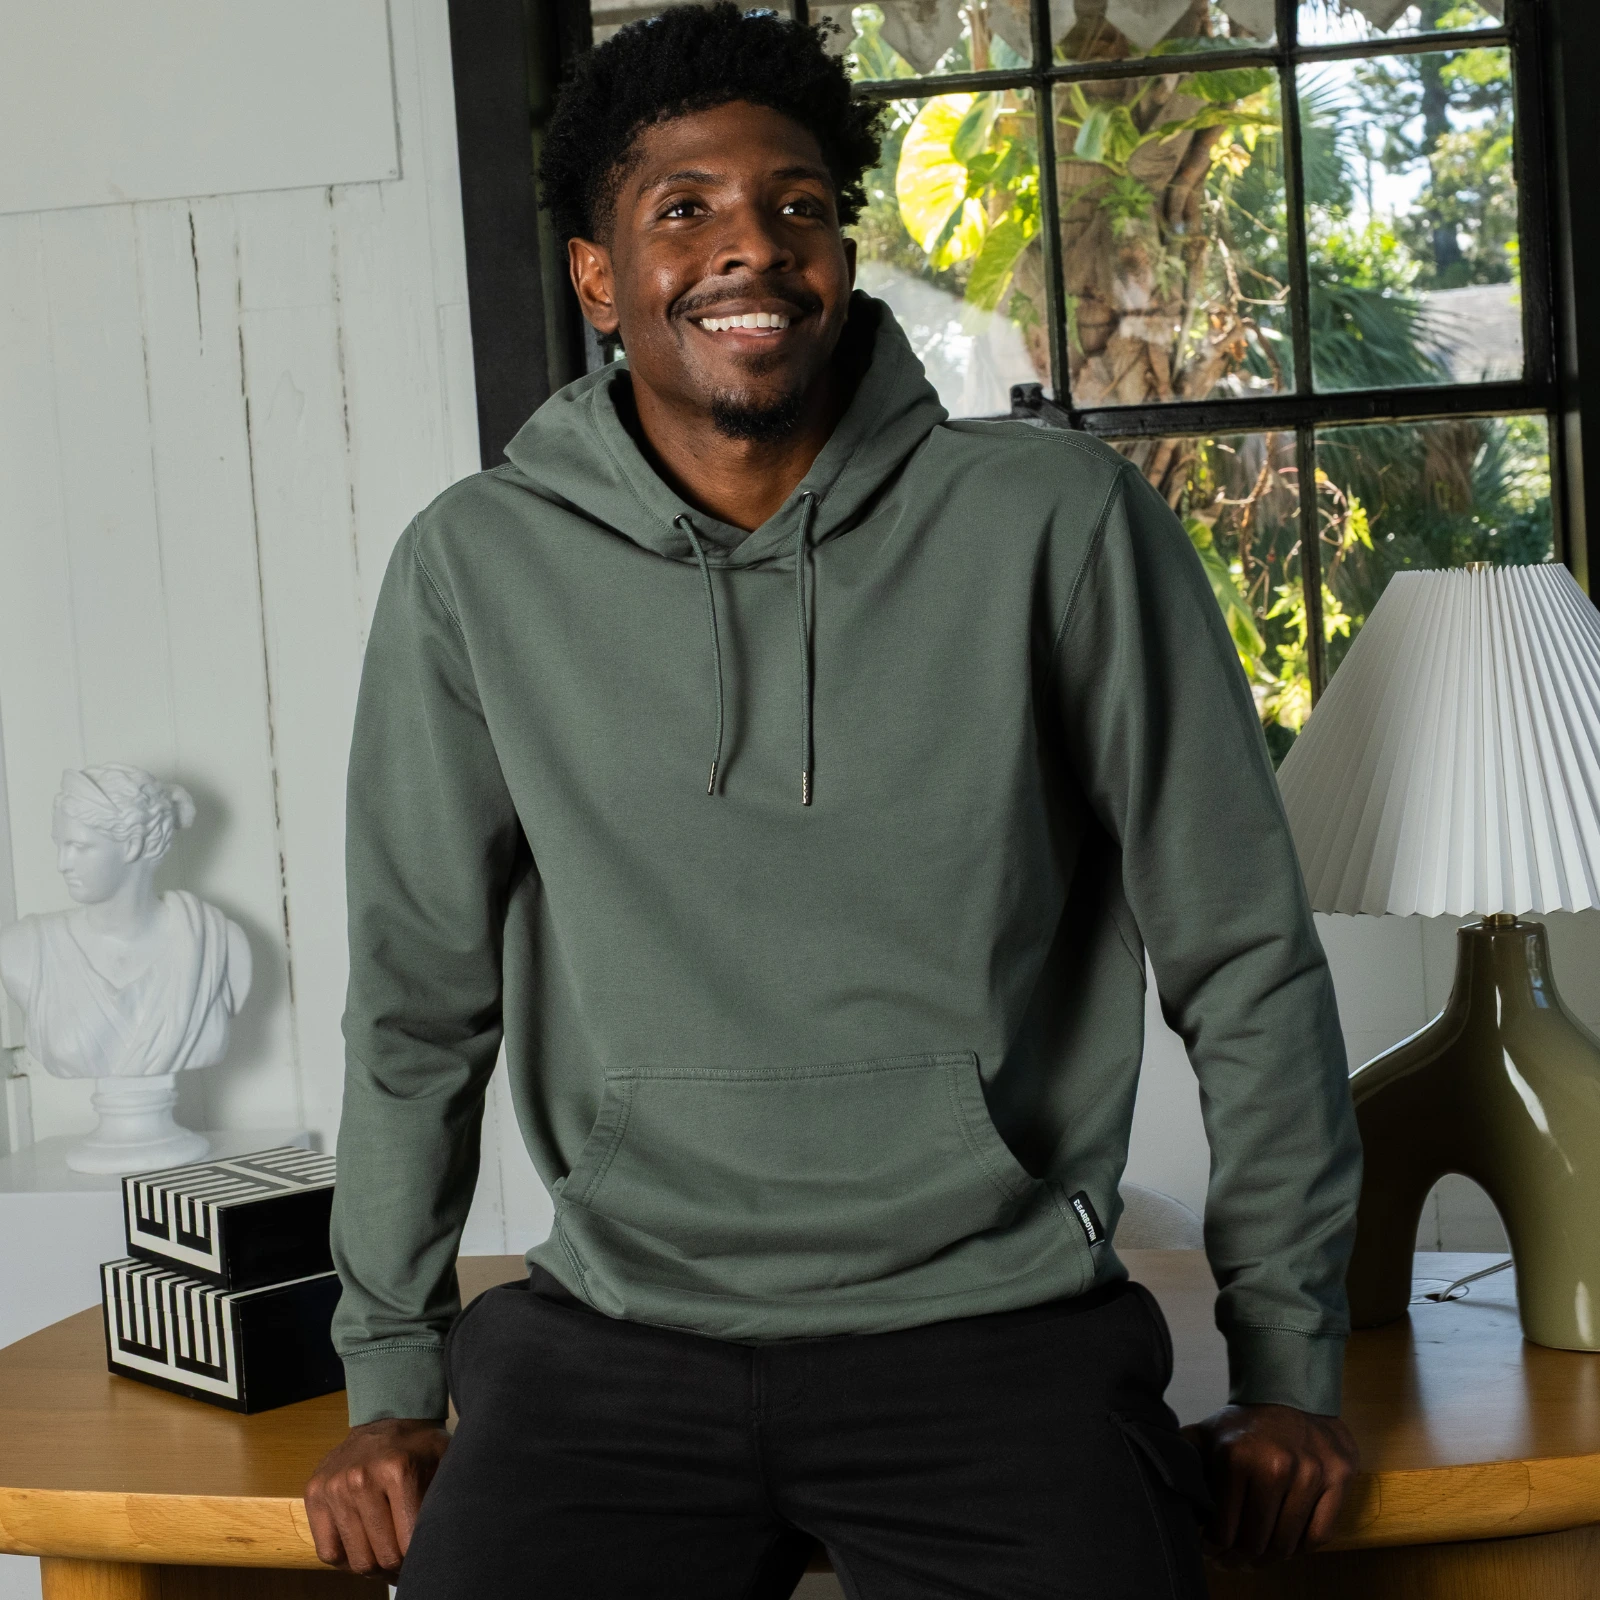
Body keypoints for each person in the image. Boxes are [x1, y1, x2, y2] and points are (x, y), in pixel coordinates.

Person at [304, 6, 1361, 1594]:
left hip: (994, 1331)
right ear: (597, 276)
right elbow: (415, 1002)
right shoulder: (475, 567)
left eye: (797, 205)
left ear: (843, 255)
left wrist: (1288, 1364)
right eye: (685, 210)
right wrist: (389, 1380)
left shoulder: (1053, 526)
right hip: (617, 1336)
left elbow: (1244, 955)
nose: (754, 246)